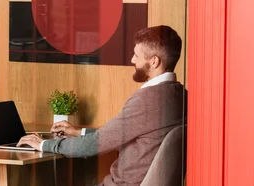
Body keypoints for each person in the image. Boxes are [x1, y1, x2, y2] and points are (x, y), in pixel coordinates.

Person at [17, 25, 186, 186]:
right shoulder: (180, 95)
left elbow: (94, 145)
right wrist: (78, 132)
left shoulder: (147, 101)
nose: (132, 60)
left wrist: (43, 144)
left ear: (154, 62)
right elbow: (126, 136)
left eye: (136, 55)